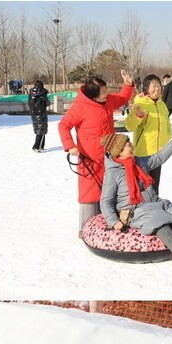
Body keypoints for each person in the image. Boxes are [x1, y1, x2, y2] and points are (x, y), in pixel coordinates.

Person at [99, 131, 172, 268]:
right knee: (158, 221)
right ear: (119, 152)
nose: (131, 145)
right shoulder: (113, 173)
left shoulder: (139, 161)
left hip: (153, 202)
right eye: (128, 144)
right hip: (134, 210)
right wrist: (114, 221)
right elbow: (105, 201)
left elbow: (158, 158)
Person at [59, 70, 135, 238]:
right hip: (89, 159)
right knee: (89, 193)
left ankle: (108, 223)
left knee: (110, 190)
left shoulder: (107, 101)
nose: (107, 94)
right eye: (103, 92)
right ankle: (84, 228)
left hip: (109, 157)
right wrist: (70, 146)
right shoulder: (80, 108)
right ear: (93, 96)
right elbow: (63, 125)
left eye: (106, 90)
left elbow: (122, 98)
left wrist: (128, 85)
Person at [125, 74, 171, 195]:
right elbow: (129, 126)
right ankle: (141, 212)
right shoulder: (140, 104)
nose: (157, 89)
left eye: (159, 86)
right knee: (143, 187)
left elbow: (167, 123)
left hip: (159, 153)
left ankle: (155, 211)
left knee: (155, 188)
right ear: (146, 88)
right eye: (154, 86)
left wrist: (168, 141)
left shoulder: (163, 105)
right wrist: (137, 116)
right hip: (143, 154)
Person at [28, 80, 51, 153]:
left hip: (34, 114)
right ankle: (37, 146)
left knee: (39, 130)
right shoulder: (43, 93)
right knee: (41, 130)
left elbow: (29, 103)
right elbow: (48, 103)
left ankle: (41, 146)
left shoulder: (31, 93)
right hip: (41, 114)